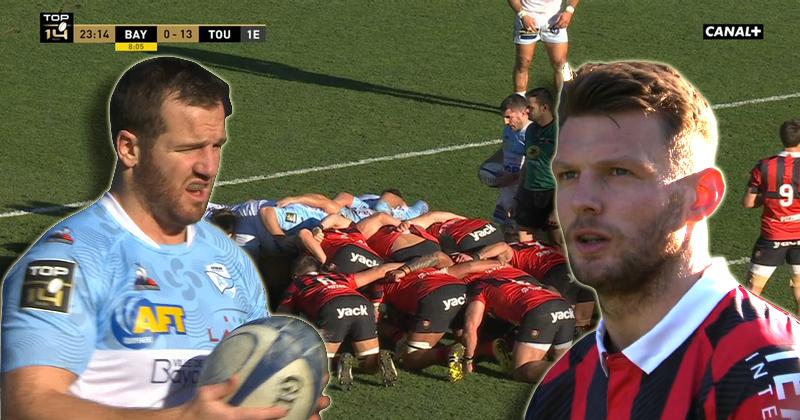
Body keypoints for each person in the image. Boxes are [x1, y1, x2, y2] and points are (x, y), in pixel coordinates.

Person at [1, 56, 328, 418]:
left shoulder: (227, 255)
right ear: (130, 148)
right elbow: (26, 404)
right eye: (188, 149)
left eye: (216, 145)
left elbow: (251, 378)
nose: (208, 167)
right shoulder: (68, 263)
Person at [526, 61, 800, 419]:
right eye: (569, 174)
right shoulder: (561, 388)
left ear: (700, 195)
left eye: (620, 172)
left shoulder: (765, 379)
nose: (582, 200)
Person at [277, 256, 402, 389]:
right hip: (361, 304)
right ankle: (379, 358)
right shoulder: (339, 277)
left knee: (322, 363)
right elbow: (379, 270)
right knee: (369, 364)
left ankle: (339, 360)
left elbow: (283, 316)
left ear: (295, 274)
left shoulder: (297, 283)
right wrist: (409, 265)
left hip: (331, 305)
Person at [461, 263, 574, 383]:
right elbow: (550, 289)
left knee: (520, 371)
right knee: (560, 360)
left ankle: (575, 375)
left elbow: (470, 327)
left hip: (541, 311)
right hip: (564, 307)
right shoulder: (511, 277)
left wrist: (468, 360)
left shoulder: (478, 287)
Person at [743, 119, 800, 314]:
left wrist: (767, 198)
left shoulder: (765, 166)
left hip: (773, 235)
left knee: (753, 290)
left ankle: (747, 334)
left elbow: (749, 202)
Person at [515, 87, 560, 246]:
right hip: (529, 192)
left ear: (545, 108)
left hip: (551, 192)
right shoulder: (531, 130)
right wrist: (518, 196)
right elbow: (527, 162)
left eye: (530, 107)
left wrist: (557, 209)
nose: (526, 111)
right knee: (525, 241)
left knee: (557, 242)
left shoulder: (559, 132)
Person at [507, 0, 580, 95]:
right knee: (523, 62)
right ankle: (519, 103)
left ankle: (566, 104)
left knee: (562, 64)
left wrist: (569, 11)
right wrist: (522, 14)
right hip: (528, 21)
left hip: (555, 21)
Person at [488, 94, 531, 236]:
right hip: (506, 190)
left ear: (523, 113)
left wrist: (506, 180)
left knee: (521, 234)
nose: (506, 122)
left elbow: (531, 168)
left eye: (509, 117)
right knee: (501, 229)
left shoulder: (532, 134)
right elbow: (505, 150)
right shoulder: (509, 129)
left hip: (522, 193)